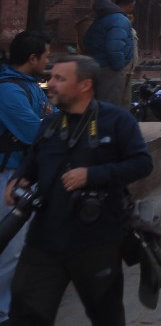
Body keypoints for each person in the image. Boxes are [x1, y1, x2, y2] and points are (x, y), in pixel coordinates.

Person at [5, 55, 152, 325]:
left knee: (106, 316)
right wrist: (21, 177)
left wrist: (93, 175)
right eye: (51, 77)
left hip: (97, 240)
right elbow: (33, 160)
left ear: (85, 85)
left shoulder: (117, 121)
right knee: (26, 314)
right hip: (44, 241)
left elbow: (142, 164)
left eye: (60, 78)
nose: (50, 84)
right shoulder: (49, 125)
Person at [0, 31, 51, 323]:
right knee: (11, 247)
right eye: (44, 57)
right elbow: (35, 132)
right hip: (7, 174)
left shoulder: (31, 87)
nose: (46, 62)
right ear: (32, 58)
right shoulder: (9, 91)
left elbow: (51, 118)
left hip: (24, 174)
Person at [82, 0, 135, 107]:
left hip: (97, 64)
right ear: (130, 5)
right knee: (110, 105)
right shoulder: (120, 20)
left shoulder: (102, 18)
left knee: (99, 104)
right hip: (110, 69)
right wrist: (118, 66)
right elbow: (114, 47)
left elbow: (87, 40)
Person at [114, 0, 139, 110]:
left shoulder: (124, 22)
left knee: (125, 101)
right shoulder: (117, 20)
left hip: (129, 68)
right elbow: (115, 45)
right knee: (118, 101)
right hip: (120, 68)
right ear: (130, 4)